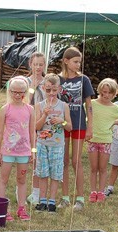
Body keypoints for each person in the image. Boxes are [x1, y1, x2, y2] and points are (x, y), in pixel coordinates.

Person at [58, 47, 94, 210]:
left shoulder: (84, 80)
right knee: (64, 161)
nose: (78, 64)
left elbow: (89, 104)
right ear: (66, 61)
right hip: (63, 124)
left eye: (79, 61)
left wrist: (90, 127)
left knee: (76, 161)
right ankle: (64, 197)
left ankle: (80, 198)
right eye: (75, 61)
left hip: (79, 123)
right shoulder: (58, 79)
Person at [0, 76, 35, 221]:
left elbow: (32, 132)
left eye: (21, 92)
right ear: (10, 92)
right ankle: (1, 208)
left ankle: (21, 207)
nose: (18, 95)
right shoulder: (5, 109)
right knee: (3, 178)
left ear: (26, 92)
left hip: (23, 151)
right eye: (14, 92)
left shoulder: (30, 110)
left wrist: (33, 150)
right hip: (8, 151)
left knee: (22, 179)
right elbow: (0, 132)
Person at [33, 73, 71, 212]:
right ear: (43, 88)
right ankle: (42, 200)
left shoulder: (64, 106)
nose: (51, 93)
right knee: (42, 173)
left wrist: (62, 121)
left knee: (55, 173)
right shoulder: (39, 105)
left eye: (54, 90)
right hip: (42, 144)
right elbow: (36, 127)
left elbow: (70, 127)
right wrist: (44, 115)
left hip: (57, 145)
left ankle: (52, 201)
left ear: (59, 89)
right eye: (48, 90)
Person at [87, 79, 118, 203]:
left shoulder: (114, 107)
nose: (106, 95)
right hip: (93, 139)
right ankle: (93, 191)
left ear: (115, 94)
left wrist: (113, 122)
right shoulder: (92, 104)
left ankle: (101, 191)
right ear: (99, 91)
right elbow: (86, 114)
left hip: (106, 140)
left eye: (109, 93)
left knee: (103, 168)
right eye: (104, 92)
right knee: (93, 168)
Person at [26, 52, 47, 205]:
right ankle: (21, 187)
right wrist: (32, 88)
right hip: (26, 122)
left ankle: (36, 191)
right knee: (25, 156)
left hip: (41, 123)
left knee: (37, 158)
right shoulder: (25, 82)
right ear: (30, 65)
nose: (38, 67)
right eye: (35, 64)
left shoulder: (47, 82)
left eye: (41, 64)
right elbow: (25, 100)